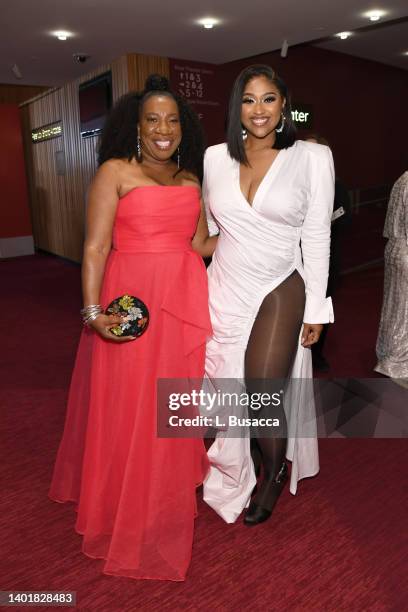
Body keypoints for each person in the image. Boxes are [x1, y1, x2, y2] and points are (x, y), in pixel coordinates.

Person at [49, 75, 216, 581]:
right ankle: (123, 501)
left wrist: (259, 233)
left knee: (173, 400)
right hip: (133, 302)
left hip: (182, 298)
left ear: (182, 129)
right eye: (152, 119)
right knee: (130, 403)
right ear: (137, 126)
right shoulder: (115, 172)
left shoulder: (192, 181)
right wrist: (93, 313)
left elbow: (201, 245)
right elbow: (96, 247)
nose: (162, 128)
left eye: (171, 120)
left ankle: (161, 490)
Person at [202, 64, 334, 525]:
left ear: (283, 106)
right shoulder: (214, 156)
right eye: (248, 100)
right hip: (226, 285)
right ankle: (241, 464)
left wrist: (318, 308)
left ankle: (274, 469)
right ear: (237, 108)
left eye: (269, 99)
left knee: (261, 393)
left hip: (281, 282)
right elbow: (214, 229)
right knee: (225, 392)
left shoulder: (312, 157)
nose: (259, 110)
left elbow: (317, 236)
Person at [306, 134, 352, 372]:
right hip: (294, 263)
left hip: (326, 260)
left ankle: (317, 355)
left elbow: (345, 217)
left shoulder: (336, 185)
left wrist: (320, 223)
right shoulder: (293, 184)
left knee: (320, 309)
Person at [375, 170, 408, 380]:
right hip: (406, 252)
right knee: (404, 311)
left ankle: (388, 355)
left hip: (394, 248)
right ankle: (397, 361)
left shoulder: (402, 178)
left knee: (393, 307)